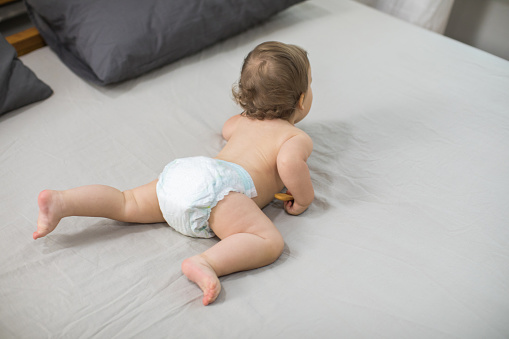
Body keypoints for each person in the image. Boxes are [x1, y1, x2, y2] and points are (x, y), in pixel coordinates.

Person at [34, 41, 314, 306]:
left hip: (185, 174)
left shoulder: (242, 121)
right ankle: (206, 263)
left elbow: (227, 129)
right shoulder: (294, 136)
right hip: (223, 190)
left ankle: (63, 201)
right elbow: (290, 164)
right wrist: (302, 199)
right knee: (269, 241)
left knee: (125, 201)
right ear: (301, 100)